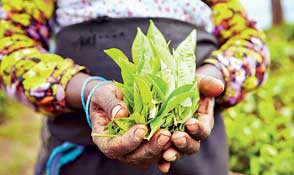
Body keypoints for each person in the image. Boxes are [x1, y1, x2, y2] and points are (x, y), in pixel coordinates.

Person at [0, 0, 270, 175]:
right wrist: (86, 89)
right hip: (82, 156)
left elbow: (251, 44)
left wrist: (211, 78)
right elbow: (8, 45)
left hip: (194, 151)